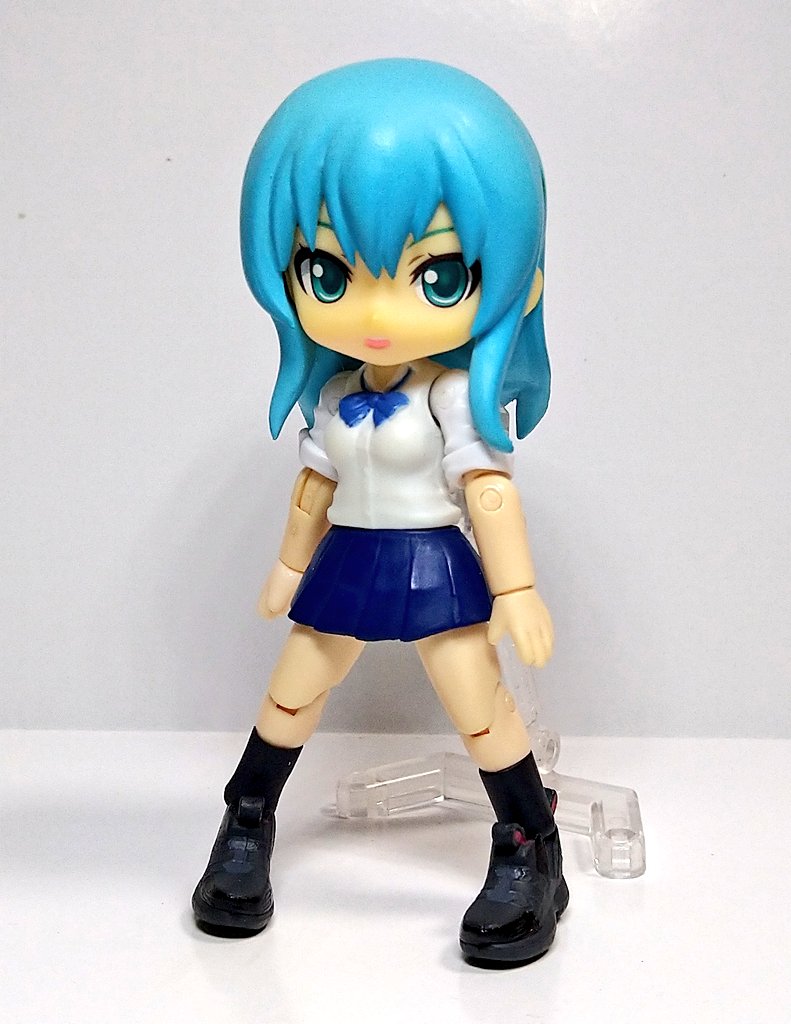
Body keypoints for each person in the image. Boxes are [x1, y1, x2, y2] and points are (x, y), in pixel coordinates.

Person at [192, 58, 568, 965]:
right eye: (326, 272)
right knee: (292, 691)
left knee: (475, 702)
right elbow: (314, 489)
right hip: (348, 560)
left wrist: (517, 589)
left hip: (433, 560)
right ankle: (245, 823)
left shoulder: (450, 398)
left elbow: (487, 491)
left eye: (435, 277)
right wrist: (288, 565)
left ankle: (529, 846)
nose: (373, 312)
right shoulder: (332, 397)